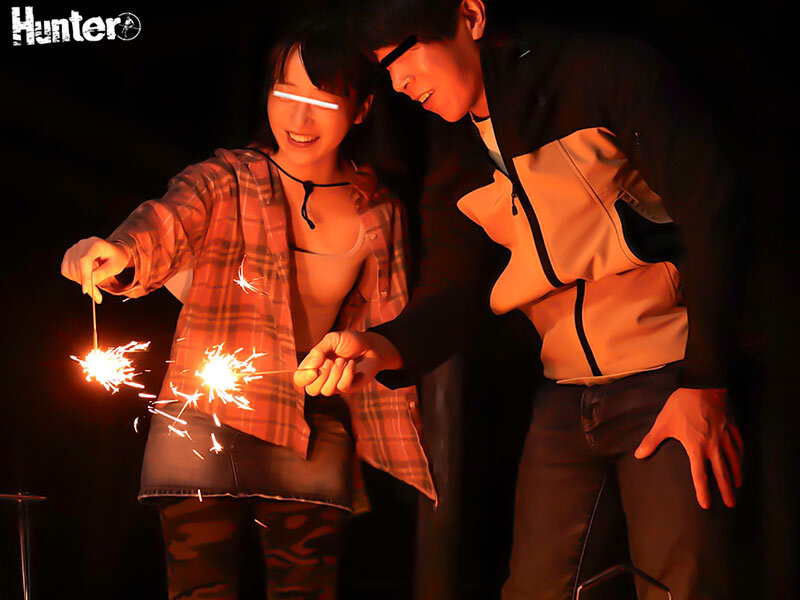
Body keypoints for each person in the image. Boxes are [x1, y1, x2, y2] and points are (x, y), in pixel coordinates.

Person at [295, 1, 743, 598]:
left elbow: (712, 208)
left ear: (470, 17)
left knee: (678, 584)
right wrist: (379, 346)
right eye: (385, 69)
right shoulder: (456, 150)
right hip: (564, 394)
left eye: (402, 54)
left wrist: (705, 381)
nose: (399, 82)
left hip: (669, 378)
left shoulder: (597, 74)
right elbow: (452, 288)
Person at [60, 17, 435, 600]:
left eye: (323, 100)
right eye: (285, 92)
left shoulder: (378, 210)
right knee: (200, 589)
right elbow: (168, 221)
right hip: (203, 414)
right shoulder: (225, 178)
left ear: (361, 108)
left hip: (309, 421)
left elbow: (385, 324)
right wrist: (119, 252)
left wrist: (370, 384)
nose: (299, 117)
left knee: (307, 589)